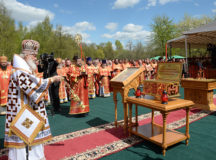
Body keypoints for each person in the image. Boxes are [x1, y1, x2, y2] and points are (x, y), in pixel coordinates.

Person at [4, 39, 62, 160]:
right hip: (20, 111)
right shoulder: (19, 71)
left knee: (33, 133)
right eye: (34, 55)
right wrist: (52, 79)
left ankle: (34, 157)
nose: (36, 58)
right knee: (20, 138)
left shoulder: (24, 69)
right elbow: (34, 86)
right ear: (27, 55)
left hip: (27, 108)